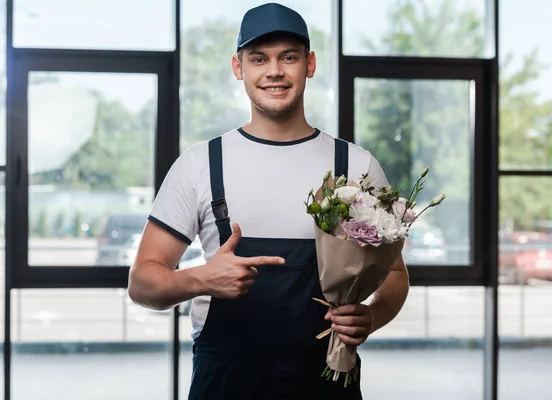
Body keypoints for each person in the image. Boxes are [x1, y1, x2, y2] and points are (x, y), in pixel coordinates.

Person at [128, 3, 409, 399]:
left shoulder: (356, 165)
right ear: (238, 67)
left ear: (309, 64)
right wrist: (200, 278)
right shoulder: (201, 164)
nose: (274, 71)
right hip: (226, 380)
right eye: (259, 58)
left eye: (288, 57)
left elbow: (395, 274)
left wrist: (372, 315)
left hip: (325, 381)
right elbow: (141, 283)